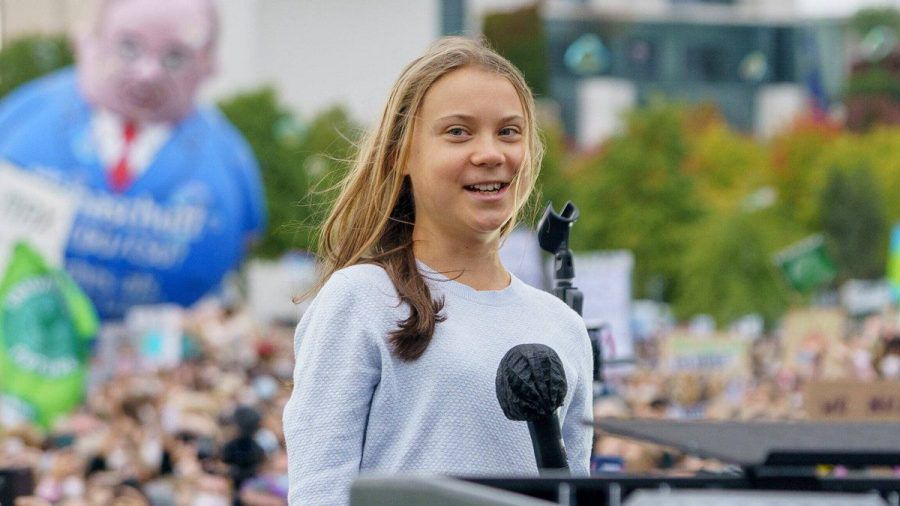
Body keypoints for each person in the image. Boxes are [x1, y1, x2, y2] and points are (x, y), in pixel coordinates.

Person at [282, 37, 593, 505]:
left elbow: (576, 489)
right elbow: (320, 490)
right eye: (458, 132)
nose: (491, 152)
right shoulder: (360, 298)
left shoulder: (562, 326)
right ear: (402, 155)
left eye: (509, 132)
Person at [0, 0, 266, 319]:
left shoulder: (225, 154)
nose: (148, 74)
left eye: (174, 57)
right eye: (128, 47)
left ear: (207, 64)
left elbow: (250, 230)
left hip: (155, 339)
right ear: (90, 41)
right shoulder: (30, 115)